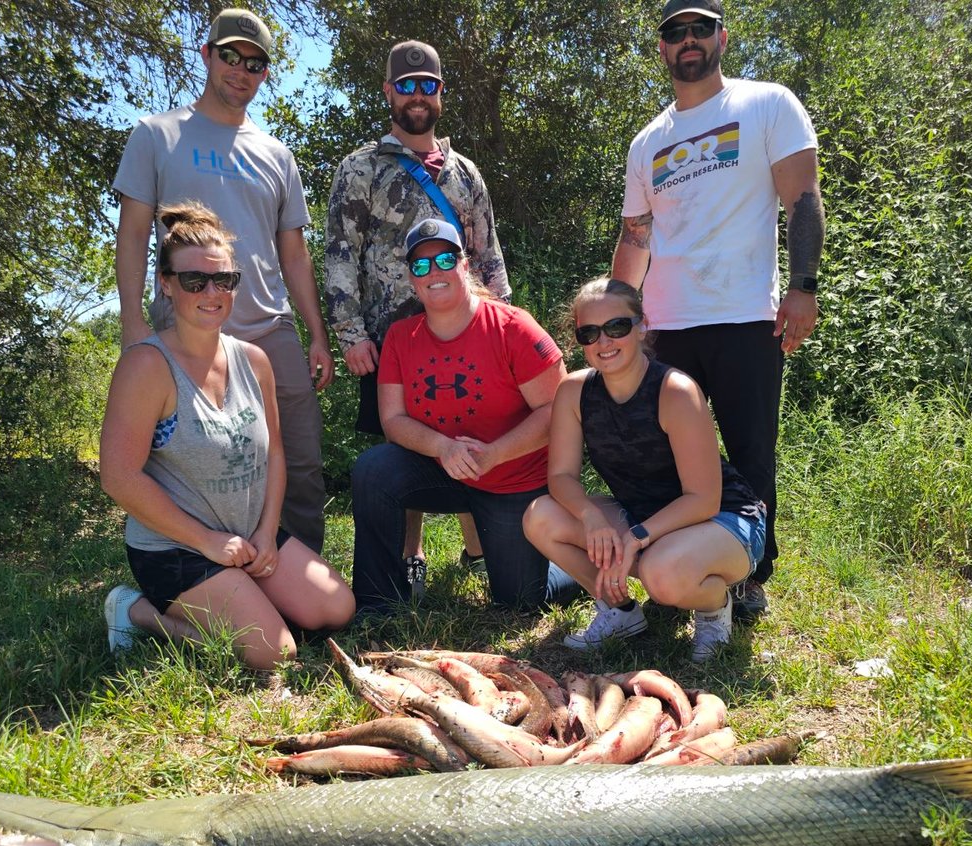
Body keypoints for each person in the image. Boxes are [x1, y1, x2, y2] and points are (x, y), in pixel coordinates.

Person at [611, 0, 825, 619]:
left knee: (751, 450)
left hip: (744, 316)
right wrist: (620, 320)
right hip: (667, 327)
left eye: (700, 29)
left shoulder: (767, 104)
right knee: (669, 455)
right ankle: (678, 563)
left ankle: (751, 575)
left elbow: (802, 198)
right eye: (675, 33)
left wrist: (804, 286)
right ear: (662, 49)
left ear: (721, 38)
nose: (688, 41)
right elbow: (635, 236)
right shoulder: (648, 141)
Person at [113, 7, 331, 559]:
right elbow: (134, 233)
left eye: (255, 63)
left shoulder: (277, 155)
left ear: (265, 74)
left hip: (267, 330)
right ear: (207, 55)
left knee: (299, 458)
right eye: (231, 56)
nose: (242, 70)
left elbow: (295, 254)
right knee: (187, 469)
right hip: (182, 333)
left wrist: (317, 334)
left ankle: (294, 566)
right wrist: (133, 321)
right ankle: (196, 574)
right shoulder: (156, 135)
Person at [100, 202, 353, 671]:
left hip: (249, 537)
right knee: (273, 654)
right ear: (167, 284)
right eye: (195, 281)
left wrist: (268, 534)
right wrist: (207, 542)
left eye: (225, 280)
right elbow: (118, 477)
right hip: (177, 547)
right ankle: (137, 611)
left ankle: (243, 594)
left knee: (335, 609)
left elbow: (275, 453)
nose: (211, 292)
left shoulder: (254, 360)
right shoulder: (146, 366)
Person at [326, 40, 512, 599]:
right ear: (388, 92)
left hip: (466, 332)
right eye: (405, 85)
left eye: (426, 85)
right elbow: (339, 253)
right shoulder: (361, 168)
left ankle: (479, 547)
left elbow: (488, 253)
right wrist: (351, 334)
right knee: (403, 443)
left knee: (472, 428)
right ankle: (410, 557)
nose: (416, 96)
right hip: (391, 343)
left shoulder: (464, 173)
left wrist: (505, 323)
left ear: (440, 95)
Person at [523, 278, 766, 660]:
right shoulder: (573, 392)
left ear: (641, 327)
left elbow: (704, 498)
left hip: (723, 519)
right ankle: (618, 610)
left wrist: (635, 537)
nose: (604, 342)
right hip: (643, 517)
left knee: (660, 575)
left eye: (616, 327)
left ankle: (715, 603)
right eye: (589, 333)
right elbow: (561, 477)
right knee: (540, 518)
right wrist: (592, 518)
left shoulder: (675, 392)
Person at [351, 219, 576, 613]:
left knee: (519, 602)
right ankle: (377, 603)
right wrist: (443, 447)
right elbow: (393, 420)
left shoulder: (513, 327)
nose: (433, 272)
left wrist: (494, 454)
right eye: (420, 266)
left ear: (465, 265)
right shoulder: (401, 337)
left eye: (444, 259)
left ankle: (576, 561)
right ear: (411, 279)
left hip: (511, 478)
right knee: (374, 468)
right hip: (444, 470)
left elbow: (559, 410)